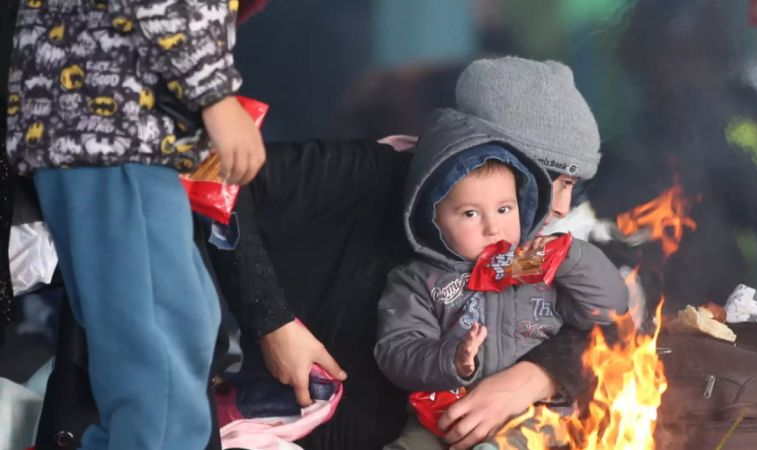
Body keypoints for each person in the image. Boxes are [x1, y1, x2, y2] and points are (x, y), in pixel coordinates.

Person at [209, 56, 609, 450]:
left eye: (577, 186)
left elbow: (616, 316)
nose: (562, 206)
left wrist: (535, 376)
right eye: (556, 180)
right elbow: (216, 172)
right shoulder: (364, 175)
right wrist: (272, 322)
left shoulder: (530, 242)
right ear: (494, 154)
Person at [4, 0, 265, 448]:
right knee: (159, 355)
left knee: (180, 332)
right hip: (114, 130)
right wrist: (215, 95)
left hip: (109, 129)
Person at [374, 119, 628, 449]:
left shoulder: (535, 264)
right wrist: (452, 358)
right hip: (443, 415)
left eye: (504, 209)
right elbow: (395, 351)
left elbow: (610, 309)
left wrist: (567, 258)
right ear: (433, 219)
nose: (493, 227)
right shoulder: (418, 280)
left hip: (536, 416)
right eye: (470, 214)